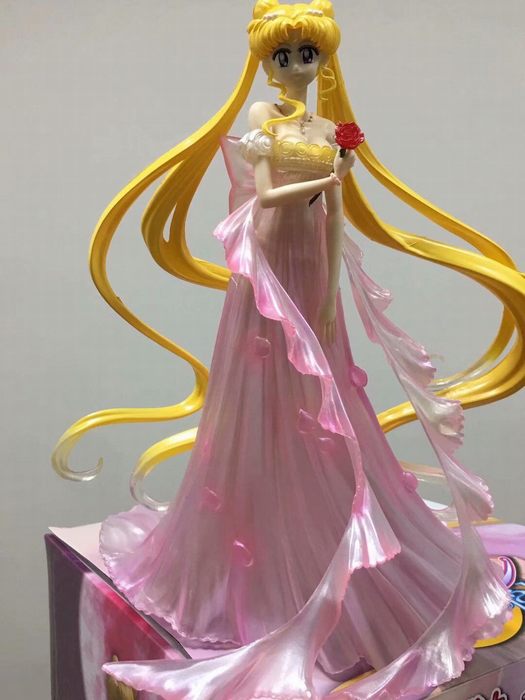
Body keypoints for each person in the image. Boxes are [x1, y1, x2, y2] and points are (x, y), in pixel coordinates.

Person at [52, 1, 525, 698]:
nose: (297, 66)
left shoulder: (327, 129)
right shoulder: (263, 121)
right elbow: (270, 196)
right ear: (265, 61)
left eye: (308, 54)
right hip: (271, 266)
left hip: (311, 267)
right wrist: (326, 177)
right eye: (285, 55)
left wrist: (331, 289)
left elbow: (333, 218)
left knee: (324, 393)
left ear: (323, 58)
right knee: (267, 384)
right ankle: (266, 540)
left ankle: (329, 518)